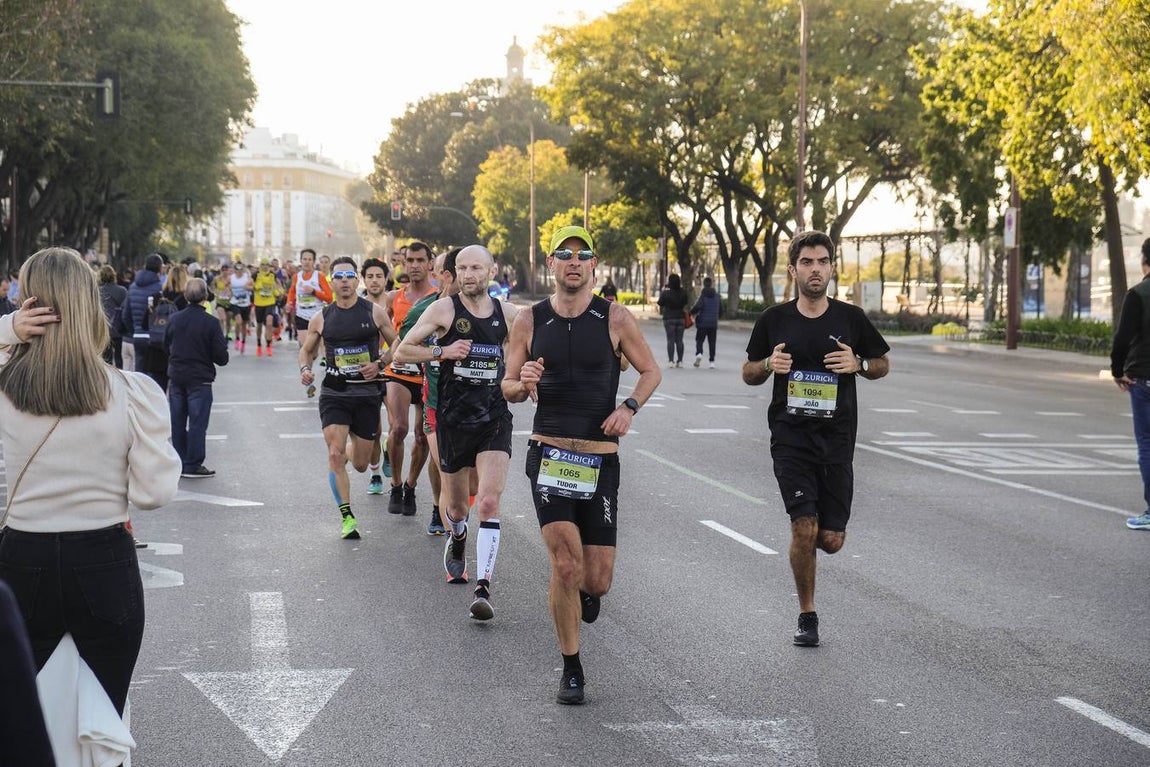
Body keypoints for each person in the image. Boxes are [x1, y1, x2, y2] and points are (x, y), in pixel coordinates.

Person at [0, 247, 180, 737]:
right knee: (103, 713)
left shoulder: (5, 386)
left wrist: (7, 331)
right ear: (90, 304)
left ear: (26, 302)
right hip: (103, 555)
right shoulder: (132, 391)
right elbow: (153, 492)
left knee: (19, 714)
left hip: (21, 555)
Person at [502, 225, 662, 705]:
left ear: (593, 265)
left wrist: (628, 407)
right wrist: (522, 379)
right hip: (549, 453)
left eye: (582, 254)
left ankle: (585, 595)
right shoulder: (529, 321)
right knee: (565, 564)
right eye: (564, 254)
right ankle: (572, 666)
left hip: (600, 459)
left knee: (597, 579)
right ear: (551, 264)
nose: (573, 261)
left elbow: (651, 371)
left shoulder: (614, 318)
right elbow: (507, 387)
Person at [741, 230, 890, 647]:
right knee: (804, 529)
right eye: (807, 262)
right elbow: (749, 372)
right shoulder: (775, 319)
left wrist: (857, 363)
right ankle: (808, 614)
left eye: (822, 261)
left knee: (831, 540)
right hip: (791, 440)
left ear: (832, 268)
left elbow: (882, 363)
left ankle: (819, 539)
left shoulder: (850, 319)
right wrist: (770, 363)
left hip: (837, 440)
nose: (815, 269)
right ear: (792, 270)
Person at [394, 245, 520, 622]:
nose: (468, 274)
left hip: (494, 417)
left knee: (489, 503)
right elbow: (402, 351)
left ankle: (482, 586)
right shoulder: (443, 310)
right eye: (462, 267)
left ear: (491, 271)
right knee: (457, 508)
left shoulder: (508, 314)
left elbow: (535, 346)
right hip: (452, 419)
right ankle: (459, 535)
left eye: (476, 267)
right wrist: (442, 352)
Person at [299, 256, 397, 539]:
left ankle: (370, 448)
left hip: (366, 394)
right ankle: (347, 516)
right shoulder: (322, 317)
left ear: (357, 281)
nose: (344, 281)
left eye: (349, 276)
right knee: (334, 452)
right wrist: (305, 369)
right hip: (335, 393)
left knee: (361, 464)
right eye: (338, 276)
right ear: (331, 282)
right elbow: (306, 350)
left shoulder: (374, 312)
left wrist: (379, 365)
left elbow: (397, 343)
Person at [381, 242, 437, 516]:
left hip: (427, 374)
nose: (414, 265)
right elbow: (386, 331)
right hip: (398, 373)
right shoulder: (393, 298)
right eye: (409, 260)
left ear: (430, 263)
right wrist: (384, 358)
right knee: (399, 428)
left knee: (422, 436)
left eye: (419, 260)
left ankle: (411, 486)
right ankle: (395, 484)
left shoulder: (439, 297)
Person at [165, 277, 229, 478]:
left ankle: (180, 460)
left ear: (185, 296)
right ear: (205, 297)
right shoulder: (211, 323)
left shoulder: (174, 319)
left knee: (177, 420)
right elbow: (221, 357)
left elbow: (165, 345)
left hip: (176, 376)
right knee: (197, 423)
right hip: (200, 378)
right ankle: (193, 463)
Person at [1110, 237, 1150, 531]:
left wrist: (1117, 370)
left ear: (1143, 260)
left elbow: (1122, 338)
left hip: (1144, 379)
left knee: (1148, 445)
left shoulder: (1138, 294)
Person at [360, 257, 394, 492]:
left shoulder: (396, 302)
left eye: (378, 276)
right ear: (363, 280)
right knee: (375, 429)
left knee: (397, 425)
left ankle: (390, 449)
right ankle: (374, 474)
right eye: (370, 276)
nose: (374, 280)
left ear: (386, 279)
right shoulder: (357, 306)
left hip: (394, 371)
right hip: (369, 373)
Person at [121, 252, 166, 389]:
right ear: (159, 268)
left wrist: (134, 329)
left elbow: (125, 315)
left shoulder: (133, 286)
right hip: (155, 337)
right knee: (156, 378)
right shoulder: (159, 287)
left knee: (139, 375)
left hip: (137, 337)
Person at [288, 248, 332, 349]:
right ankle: (305, 365)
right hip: (301, 316)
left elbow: (329, 298)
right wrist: (289, 303)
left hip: (316, 317)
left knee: (313, 353)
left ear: (313, 261)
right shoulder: (296, 277)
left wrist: (314, 292)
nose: (307, 262)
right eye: (304, 259)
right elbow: (292, 292)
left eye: (309, 259)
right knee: (304, 349)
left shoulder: (319, 276)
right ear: (301, 261)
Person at [98, 264, 127, 368]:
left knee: (105, 359)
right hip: (118, 328)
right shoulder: (122, 291)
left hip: (103, 328)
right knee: (119, 357)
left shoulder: (97, 291)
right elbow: (125, 309)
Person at [657, 273, 689, 367]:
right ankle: (680, 361)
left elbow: (660, 303)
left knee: (670, 340)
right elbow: (686, 302)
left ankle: (671, 361)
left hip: (669, 318)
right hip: (680, 318)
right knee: (679, 340)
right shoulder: (683, 292)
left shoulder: (666, 293)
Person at [252, 258, 283, 356]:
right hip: (259, 303)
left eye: (267, 264)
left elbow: (279, 286)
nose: (265, 266)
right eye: (263, 264)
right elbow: (248, 285)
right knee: (260, 325)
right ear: (260, 266)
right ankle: (259, 345)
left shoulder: (272, 275)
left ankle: (269, 345)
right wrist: (257, 287)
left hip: (270, 302)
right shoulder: (255, 275)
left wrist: (279, 292)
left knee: (269, 323)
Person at [690, 276, 722, 368]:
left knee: (699, 340)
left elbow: (697, 307)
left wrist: (691, 313)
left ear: (704, 284)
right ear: (711, 284)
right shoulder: (717, 296)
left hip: (702, 323)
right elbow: (721, 310)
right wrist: (717, 317)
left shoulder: (703, 296)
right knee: (712, 342)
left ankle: (699, 353)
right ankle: (712, 362)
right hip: (713, 323)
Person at [228, 262, 254, 354]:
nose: (239, 272)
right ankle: (237, 339)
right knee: (238, 321)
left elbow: (252, 287)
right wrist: (229, 291)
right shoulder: (231, 277)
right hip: (235, 303)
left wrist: (247, 287)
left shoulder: (247, 277)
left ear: (243, 270)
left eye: (240, 270)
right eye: (237, 270)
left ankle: (243, 341)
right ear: (235, 270)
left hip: (246, 304)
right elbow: (226, 285)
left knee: (244, 324)